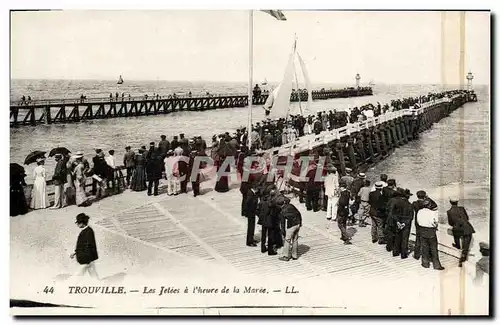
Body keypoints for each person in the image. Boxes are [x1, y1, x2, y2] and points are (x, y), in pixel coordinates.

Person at [447, 197, 475, 267]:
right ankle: (462, 260)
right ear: (457, 202)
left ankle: (457, 245)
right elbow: (467, 218)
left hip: (457, 230)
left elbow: (450, 223)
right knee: (466, 247)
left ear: (450, 202)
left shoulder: (449, 211)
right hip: (467, 228)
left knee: (455, 234)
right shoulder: (462, 208)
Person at [70, 213, 99, 279]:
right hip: (89, 258)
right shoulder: (87, 230)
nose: (77, 224)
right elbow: (82, 245)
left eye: (78, 223)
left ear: (82, 223)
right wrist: (75, 252)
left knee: (77, 276)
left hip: (86, 258)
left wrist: (85, 259)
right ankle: (99, 283)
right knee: (93, 273)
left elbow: (88, 246)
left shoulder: (88, 232)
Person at [416, 206, 445, 270]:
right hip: (430, 231)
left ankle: (425, 263)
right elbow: (435, 223)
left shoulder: (419, 211)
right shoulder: (432, 212)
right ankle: (436, 265)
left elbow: (418, 221)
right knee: (433, 248)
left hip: (422, 230)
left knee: (424, 248)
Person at [412, 190, 438, 260]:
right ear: (424, 196)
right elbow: (435, 207)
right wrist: (428, 198)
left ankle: (416, 255)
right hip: (426, 223)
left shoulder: (414, 203)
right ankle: (429, 256)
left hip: (418, 222)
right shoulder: (427, 203)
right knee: (428, 240)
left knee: (418, 239)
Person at [391, 189, 414, 259]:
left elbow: (393, 213)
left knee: (397, 237)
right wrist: (404, 223)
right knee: (405, 238)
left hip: (398, 222)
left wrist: (397, 222)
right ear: (408, 197)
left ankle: (395, 252)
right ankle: (403, 254)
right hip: (406, 224)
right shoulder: (410, 205)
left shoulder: (397, 203)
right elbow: (411, 217)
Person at [278, 196, 302, 261]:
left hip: (291, 226)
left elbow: (282, 224)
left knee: (287, 240)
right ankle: (295, 255)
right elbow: (298, 213)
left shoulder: (282, 212)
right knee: (295, 239)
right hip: (297, 223)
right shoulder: (291, 205)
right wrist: (300, 223)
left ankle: (286, 256)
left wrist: (283, 232)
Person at [258, 186, 277, 255]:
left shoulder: (262, 201)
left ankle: (263, 248)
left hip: (263, 220)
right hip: (270, 220)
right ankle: (270, 250)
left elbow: (257, 210)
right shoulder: (272, 202)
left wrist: (261, 216)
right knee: (270, 235)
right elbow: (275, 211)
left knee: (263, 235)